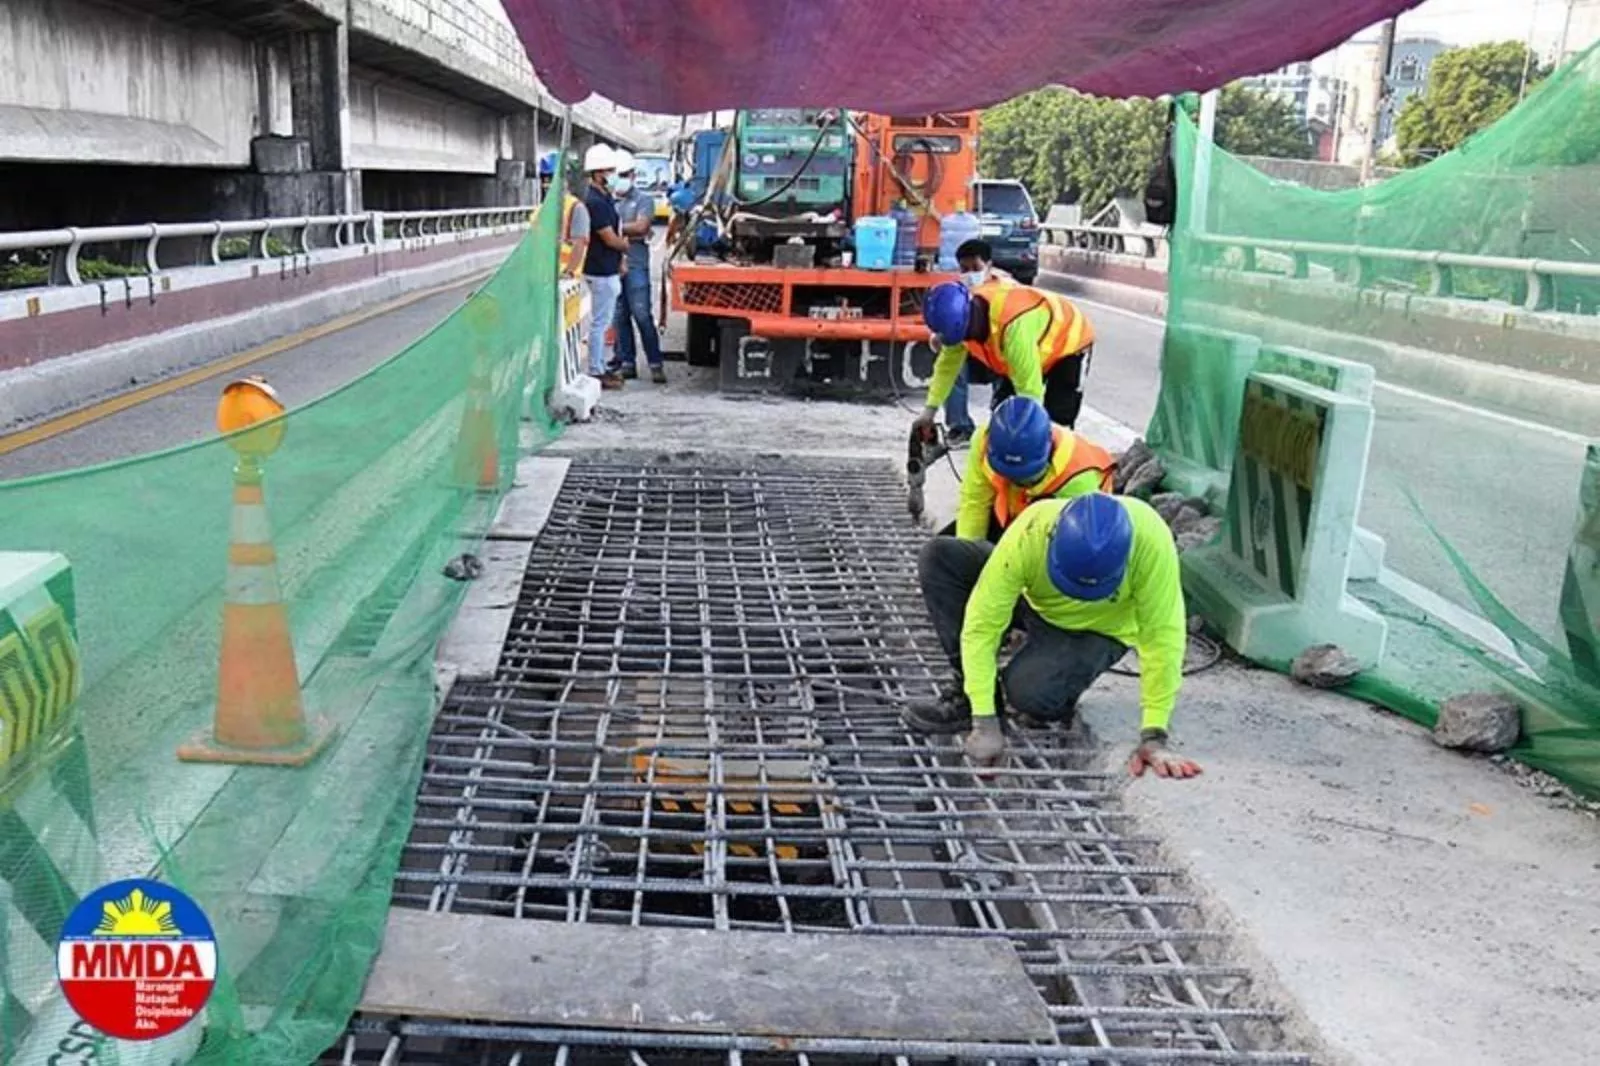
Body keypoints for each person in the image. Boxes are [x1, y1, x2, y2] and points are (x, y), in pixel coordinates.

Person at [906, 491, 1203, 777]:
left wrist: (1154, 735)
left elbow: (1162, 638)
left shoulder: (1150, 542)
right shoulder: (1032, 531)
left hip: (1096, 630)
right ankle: (969, 696)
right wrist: (984, 719)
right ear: (1052, 541)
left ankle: (1054, 672)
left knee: (1028, 694)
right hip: (1035, 601)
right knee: (941, 556)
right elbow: (982, 625)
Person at [915, 242, 1095, 433]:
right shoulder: (961, 314)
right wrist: (929, 412)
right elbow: (946, 368)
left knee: (1056, 423)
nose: (961, 342)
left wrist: (1028, 438)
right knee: (1002, 419)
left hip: (1069, 343)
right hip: (1031, 345)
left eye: (975, 267)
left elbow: (1030, 393)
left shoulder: (1013, 327)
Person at [946, 396, 1115, 543]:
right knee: (944, 553)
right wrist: (970, 555)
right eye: (1008, 475)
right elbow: (975, 501)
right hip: (1012, 514)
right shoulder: (984, 441)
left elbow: (1071, 553)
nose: (1016, 484)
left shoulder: (1078, 479)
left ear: (1048, 455)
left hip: (1060, 529)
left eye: (1024, 478)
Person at [940, 243, 1016, 446]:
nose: (970, 274)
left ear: (989, 265)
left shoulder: (1007, 290)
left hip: (1003, 352)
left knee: (1010, 376)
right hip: (975, 353)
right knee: (953, 369)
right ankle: (960, 426)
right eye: (964, 270)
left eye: (976, 268)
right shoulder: (958, 293)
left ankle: (1004, 429)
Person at [607, 149, 668, 385]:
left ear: (632, 175)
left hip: (636, 265)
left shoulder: (643, 200)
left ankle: (655, 363)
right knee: (620, 316)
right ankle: (627, 364)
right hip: (613, 266)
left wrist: (611, 230)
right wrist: (620, 230)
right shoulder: (609, 200)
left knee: (642, 314)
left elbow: (642, 227)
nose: (618, 178)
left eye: (623, 174)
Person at [581, 144, 631, 391]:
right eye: (611, 171)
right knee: (600, 324)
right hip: (600, 270)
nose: (615, 176)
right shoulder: (596, 203)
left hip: (607, 267)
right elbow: (610, 239)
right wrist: (625, 246)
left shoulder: (604, 198)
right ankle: (596, 370)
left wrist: (621, 256)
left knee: (602, 321)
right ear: (598, 173)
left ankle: (599, 367)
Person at [533, 152, 589, 279]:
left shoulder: (576, 208)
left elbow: (579, 245)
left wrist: (568, 273)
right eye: (545, 179)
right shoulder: (541, 209)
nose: (547, 184)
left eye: (552, 178)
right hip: (542, 277)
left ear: (565, 180)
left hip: (565, 281)